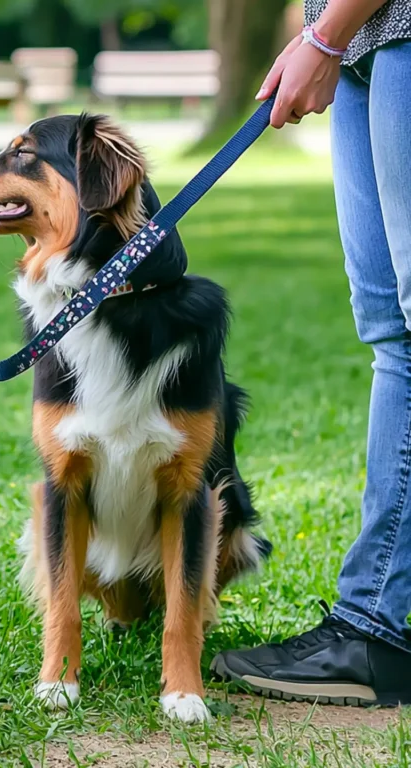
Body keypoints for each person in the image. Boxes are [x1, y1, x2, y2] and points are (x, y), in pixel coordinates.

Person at [212, 0, 411, 705]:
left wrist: (324, 36)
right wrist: (321, 32)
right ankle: (374, 627)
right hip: (365, 40)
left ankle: (375, 622)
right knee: (394, 334)